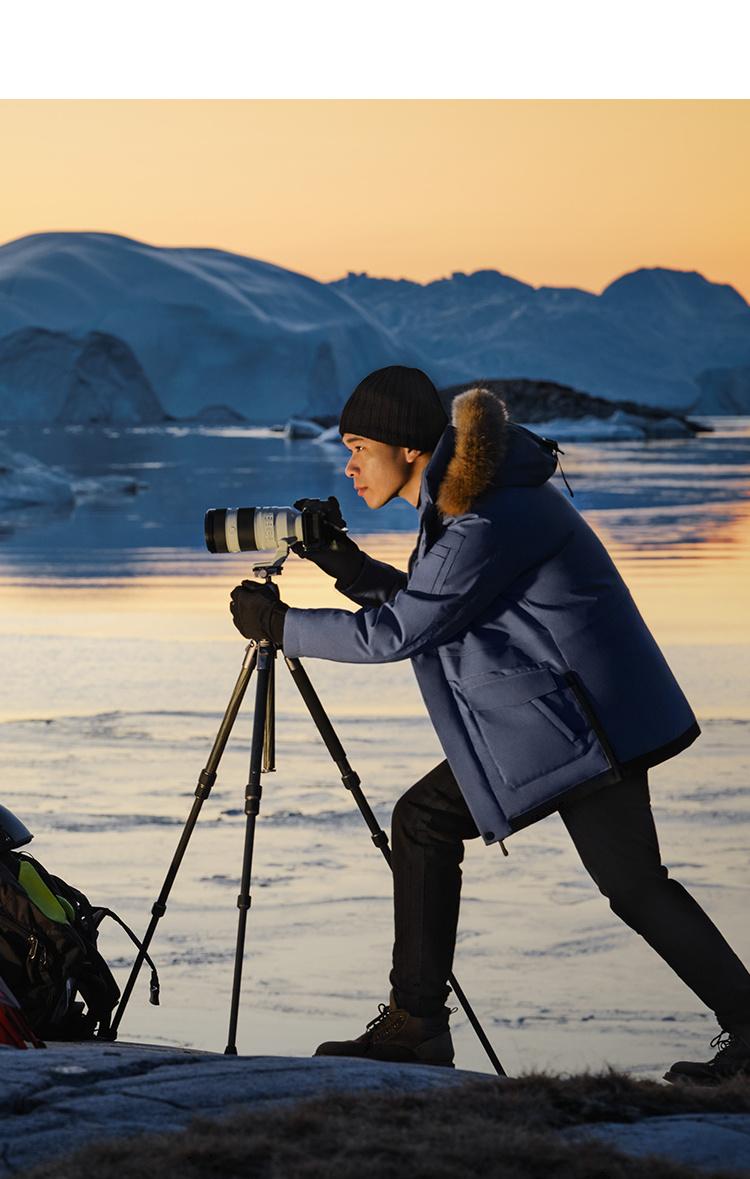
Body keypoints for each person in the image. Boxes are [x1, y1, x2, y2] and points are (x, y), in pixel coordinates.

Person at [229, 365, 750, 1083]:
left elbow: (403, 631)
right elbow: (437, 604)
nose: (348, 466)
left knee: (436, 824)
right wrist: (342, 563)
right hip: (571, 715)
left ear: (408, 448)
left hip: (581, 722)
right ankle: (419, 1021)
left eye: (358, 448)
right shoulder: (473, 502)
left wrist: (282, 626)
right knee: (631, 884)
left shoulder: (484, 515)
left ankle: (417, 1024)